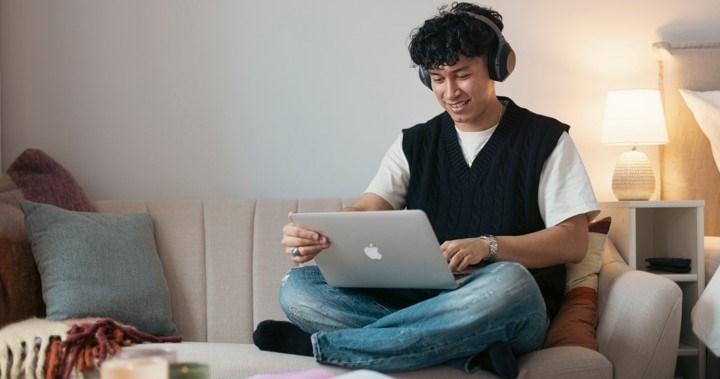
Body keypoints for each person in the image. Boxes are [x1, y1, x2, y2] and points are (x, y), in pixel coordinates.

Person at [253, 3, 599, 378]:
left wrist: (488, 246)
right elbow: (370, 207)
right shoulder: (414, 143)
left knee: (512, 282)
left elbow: (572, 240)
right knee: (298, 287)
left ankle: (322, 346)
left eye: (462, 75)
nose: (450, 92)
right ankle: (467, 351)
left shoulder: (546, 139)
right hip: (425, 301)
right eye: (437, 78)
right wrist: (324, 232)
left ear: (497, 66)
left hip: (503, 302)